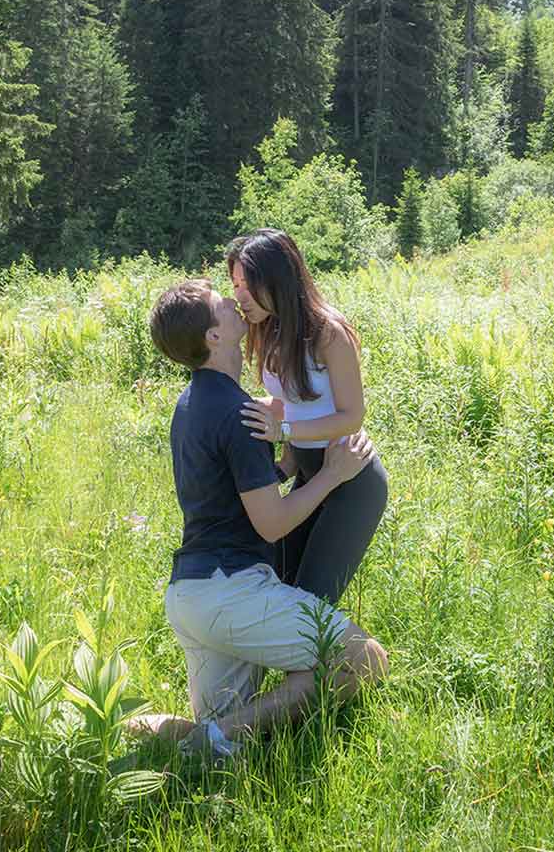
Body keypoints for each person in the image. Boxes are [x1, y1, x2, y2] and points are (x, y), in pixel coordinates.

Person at [141, 279, 389, 758]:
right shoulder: (238, 412)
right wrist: (331, 475)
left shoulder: (191, 403)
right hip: (231, 592)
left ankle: (130, 732)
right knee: (365, 659)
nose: (234, 302)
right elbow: (272, 524)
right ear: (214, 336)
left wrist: (284, 465)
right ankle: (219, 736)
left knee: (219, 724)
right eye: (222, 303)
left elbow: (231, 494)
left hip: (190, 594)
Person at [227, 229, 389, 605]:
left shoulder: (329, 333)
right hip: (310, 473)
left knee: (311, 603)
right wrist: (266, 411)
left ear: (279, 278)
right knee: (277, 585)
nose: (239, 296)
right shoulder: (268, 328)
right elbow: (292, 397)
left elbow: (351, 416)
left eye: (248, 285)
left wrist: (282, 430)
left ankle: (360, 662)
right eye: (235, 284)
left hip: (352, 479)